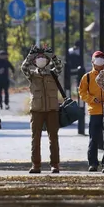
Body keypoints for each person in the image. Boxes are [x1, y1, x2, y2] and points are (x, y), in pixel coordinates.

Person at [21, 46, 64, 174]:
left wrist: (53, 56)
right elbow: (24, 68)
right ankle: (36, 165)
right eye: (38, 57)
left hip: (52, 109)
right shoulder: (32, 75)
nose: (41, 59)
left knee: (54, 138)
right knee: (35, 138)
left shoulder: (53, 73)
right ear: (34, 61)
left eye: (43, 57)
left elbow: (59, 67)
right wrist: (30, 56)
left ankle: (55, 164)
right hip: (37, 110)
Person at [78, 50, 104, 171]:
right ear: (93, 62)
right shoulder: (88, 77)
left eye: (102, 59)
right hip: (94, 111)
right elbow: (82, 92)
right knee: (93, 138)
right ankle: (93, 163)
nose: (100, 62)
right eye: (97, 59)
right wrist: (91, 99)